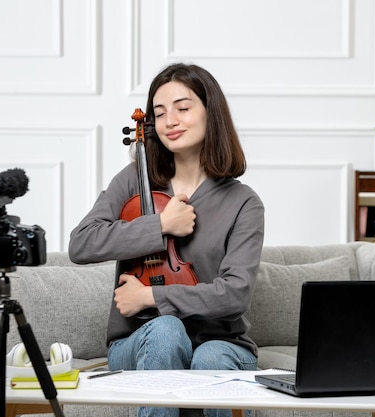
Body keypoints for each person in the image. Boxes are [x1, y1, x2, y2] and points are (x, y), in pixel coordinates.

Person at [69, 63, 265, 417]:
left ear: (211, 113)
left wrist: (150, 296)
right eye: (159, 113)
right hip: (139, 339)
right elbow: (81, 243)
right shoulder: (134, 180)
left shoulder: (243, 203)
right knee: (166, 330)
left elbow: (235, 294)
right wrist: (159, 225)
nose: (169, 121)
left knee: (211, 356)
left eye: (183, 108)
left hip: (220, 341)